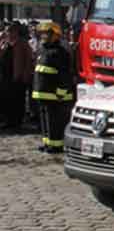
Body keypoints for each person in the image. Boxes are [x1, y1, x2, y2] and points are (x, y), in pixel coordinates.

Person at [32, 22, 73, 153]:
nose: (44, 36)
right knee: (45, 120)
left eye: (47, 33)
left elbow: (64, 75)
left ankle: (56, 146)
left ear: (55, 35)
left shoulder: (60, 52)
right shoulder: (43, 50)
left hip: (55, 96)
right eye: (43, 33)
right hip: (42, 94)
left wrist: (60, 93)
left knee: (54, 122)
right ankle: (47, 143)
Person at [1, 22, 34, 129]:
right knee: (6, 99)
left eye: (11, 31)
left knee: (18, 99)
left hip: (18, 76)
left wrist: (25, 74)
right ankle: (8, 120)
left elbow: (29, 60)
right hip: (5, 76)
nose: (9, 33)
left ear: (16, 32)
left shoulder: (23, 43)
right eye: (7, 31)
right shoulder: (4, 43)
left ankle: (17, 121)